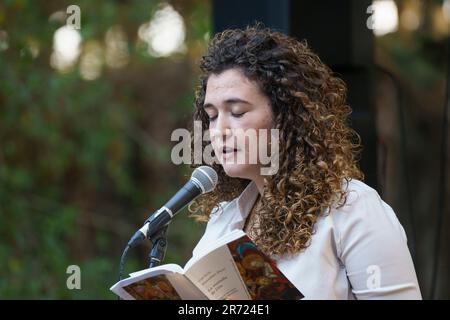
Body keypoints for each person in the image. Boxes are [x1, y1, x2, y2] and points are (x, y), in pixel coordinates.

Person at [186, 25, 422, 299]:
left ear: (287, 116)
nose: (219, 131)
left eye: (237, 112)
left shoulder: (353, 210)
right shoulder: (224, 219)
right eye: (212, 116)